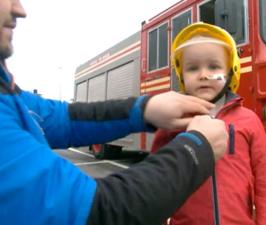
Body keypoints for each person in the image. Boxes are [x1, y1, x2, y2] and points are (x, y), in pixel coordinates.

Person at [0, 1, 229, 225]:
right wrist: (197, 149)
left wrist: (144, 110)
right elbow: (99, 212)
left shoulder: (6, 92)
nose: (20, 10)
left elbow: (58, 118)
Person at [151, 22, 266, 225]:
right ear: (181, 74)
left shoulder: (249, 120)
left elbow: (265, 183)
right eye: (192, 68)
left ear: (230, 71)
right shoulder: (174, 122)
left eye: (214, 66)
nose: (204, 75)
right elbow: (155, 182)